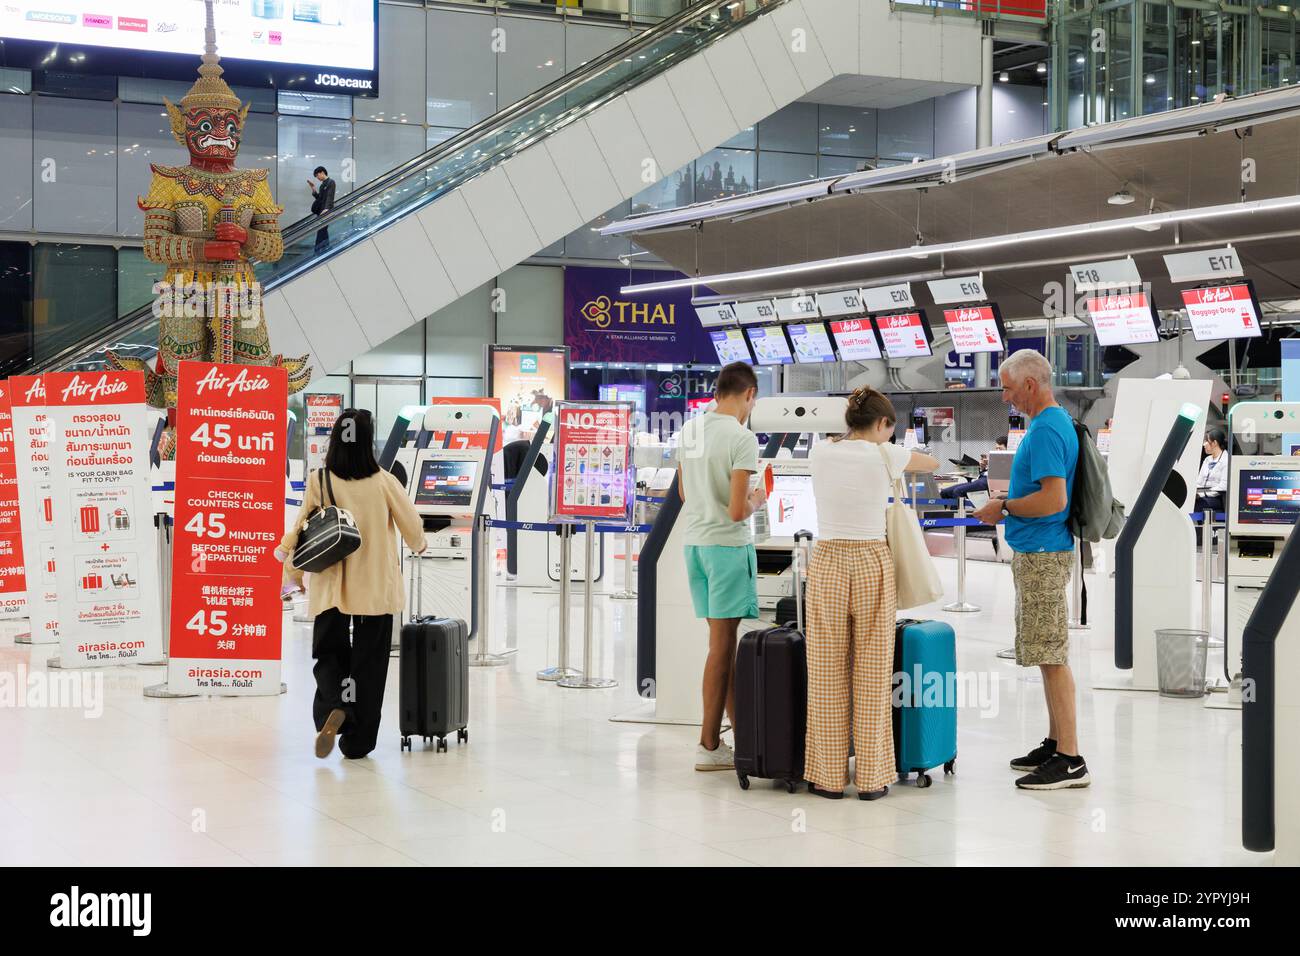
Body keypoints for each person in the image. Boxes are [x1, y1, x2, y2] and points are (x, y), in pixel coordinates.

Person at [804, 388, 938, 800]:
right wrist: (893, 446)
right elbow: (931, 462)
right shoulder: (886, 455)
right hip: (870, 560)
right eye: (887, 429)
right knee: (873, 671)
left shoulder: (819, 451)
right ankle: (872, 777)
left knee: (826, 672)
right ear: (882, 425)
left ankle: (827, 777)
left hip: (826, 559)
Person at [277, 409, 427, 760]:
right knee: (369, 665)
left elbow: (299, 530)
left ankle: (333, 705)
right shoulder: (384, 481)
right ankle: (357, 742)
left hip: (330, 586)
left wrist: (292, 577)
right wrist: (421, 544)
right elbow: (413, 528)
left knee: (329, 655)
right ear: (367, 442)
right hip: (374, 590)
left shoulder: (320, 480)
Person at [972, 349, 1088, 790]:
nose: (1005, 396)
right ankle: (1057, 742)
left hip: (1043, 552)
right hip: (1039, 550)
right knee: (1044, 651)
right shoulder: (1049, 424)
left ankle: (1072, 760)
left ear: (1030, 385)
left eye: (1006, 387)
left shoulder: (1045, 431)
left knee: (1052, 656)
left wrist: (1003, 506)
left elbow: (1054, 500)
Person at [677, 362, 766, 771]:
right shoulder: (742, 438)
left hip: (695, 546)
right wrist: (758, 500)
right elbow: (736, 511)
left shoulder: (690, 429)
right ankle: (708, 745)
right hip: (727, 549)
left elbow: (682, 490)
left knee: (722, 648)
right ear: (749, 394)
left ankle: (738, 736)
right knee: (721, 649)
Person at [940, 435, 1007, 500]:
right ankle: (946, 511)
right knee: (944, 492)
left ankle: (956, 511)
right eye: (996, 448)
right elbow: (983, 472)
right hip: (979, 479)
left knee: (958, 491)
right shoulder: (994, 457)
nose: (998, 451)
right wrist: (983, 467)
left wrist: (991, 464)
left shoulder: (1008, 460)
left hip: (987, 482)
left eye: (1000, 448)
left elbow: (1001, 474)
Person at [1195, 428, 1229, 514]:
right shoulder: (1207, 460)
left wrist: (1202, 494)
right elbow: (1199, 482)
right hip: (1202, 496)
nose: (1204, 444)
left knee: (1196, 506)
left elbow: (1223, 486)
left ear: (1214, 443)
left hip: (1217, 498)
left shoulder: (1227, 460)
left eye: (1206, 441)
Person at [309, 165, 336, 254]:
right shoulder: (323, 184)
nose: (317, 178)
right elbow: (320, 198)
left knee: (322, 230)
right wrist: (313, 188)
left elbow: (330, 197)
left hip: (325, 211)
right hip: (321, 211)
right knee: (323, 230)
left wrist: (327, 208)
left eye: (317, 176)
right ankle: (325, 249)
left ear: (322, 172)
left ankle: (318, 250)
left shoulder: (331, 182)